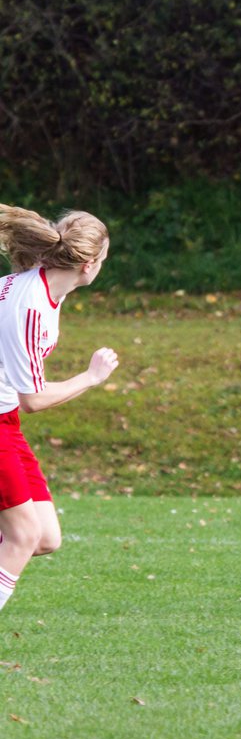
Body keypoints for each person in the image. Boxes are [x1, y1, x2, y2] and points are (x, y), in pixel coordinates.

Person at [0, 205, 118, 613]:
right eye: (103, 259)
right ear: (88, 265)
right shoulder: (31, 305)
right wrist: (90, 377)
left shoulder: (45, 286)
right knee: (22, 536)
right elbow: (32, 399)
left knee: (46, 537)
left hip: (5, 419)